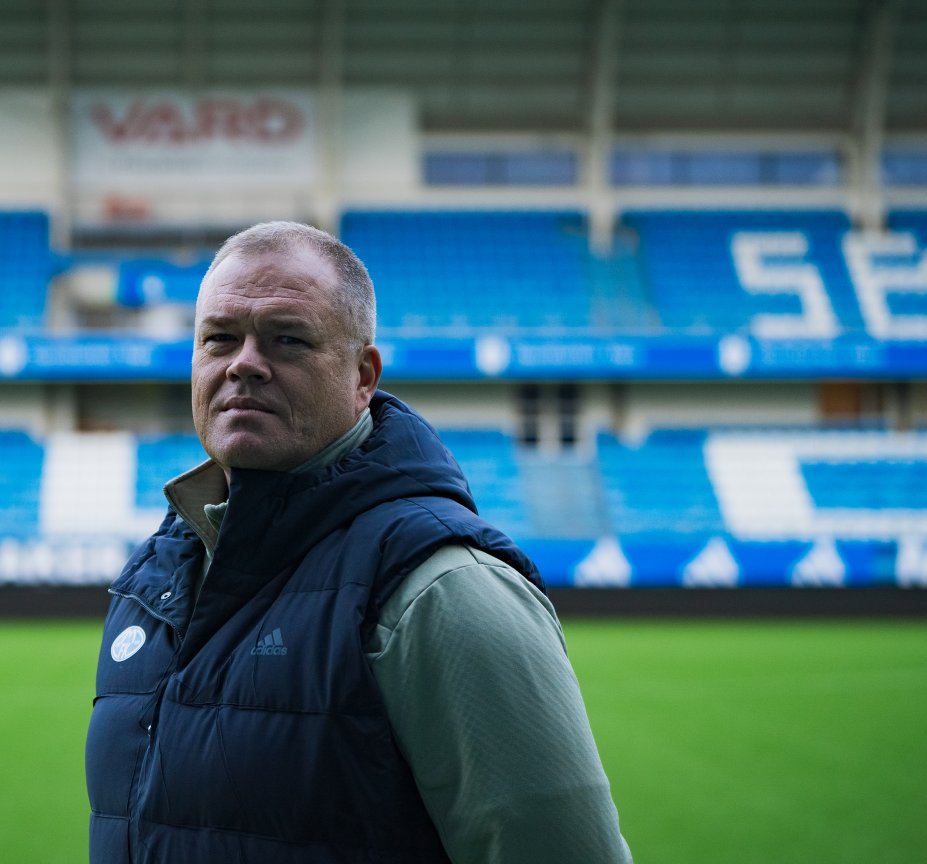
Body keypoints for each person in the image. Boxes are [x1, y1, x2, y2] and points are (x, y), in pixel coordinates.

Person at [86, 221, 630, 863]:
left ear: (362, 375)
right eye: (219, 339)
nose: (244, 364)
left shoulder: (440, 590)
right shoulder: (158, 575)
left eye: (287, 339)